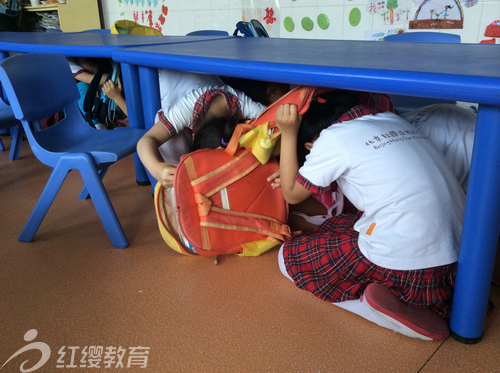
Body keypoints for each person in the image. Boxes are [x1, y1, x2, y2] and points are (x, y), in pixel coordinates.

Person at [270, 89, 466, 341]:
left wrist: (288, 133)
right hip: (458, 257)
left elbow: (291, 194)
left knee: (288, 259)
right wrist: (299, 173)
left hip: (409, 263)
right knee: (342, 224)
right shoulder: (391, 119)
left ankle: (374, 306)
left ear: (311, 145)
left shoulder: (331, 138)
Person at [137, 83, 271, 188]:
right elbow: (146, 140)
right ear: (193, 136)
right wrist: (156, 169)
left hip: (204, 85)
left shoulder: (252, 111)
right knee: (168, 139)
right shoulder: (186, 108)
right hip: (167, 80)